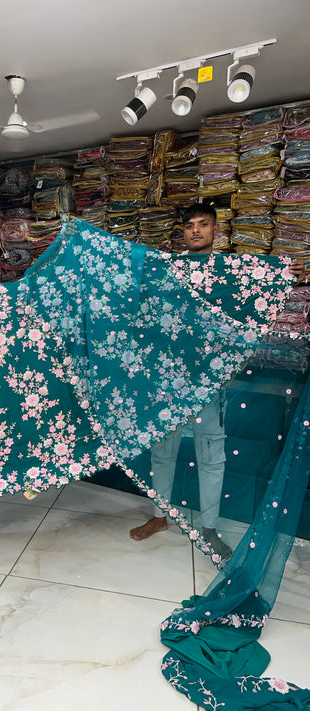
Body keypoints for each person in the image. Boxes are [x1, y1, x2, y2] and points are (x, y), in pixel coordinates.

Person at [129, 203, 303, 561]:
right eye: (189, 225)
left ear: (214, 229)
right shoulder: (169, 269)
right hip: (169, 376)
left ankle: (208, 527)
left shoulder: (230, 271)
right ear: (183, 231)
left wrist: (282, 272)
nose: (195, 230)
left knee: (212, 454)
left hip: (209, 377)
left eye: (203, 224)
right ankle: (160, 516)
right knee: (162, 452)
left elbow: (260, 280)